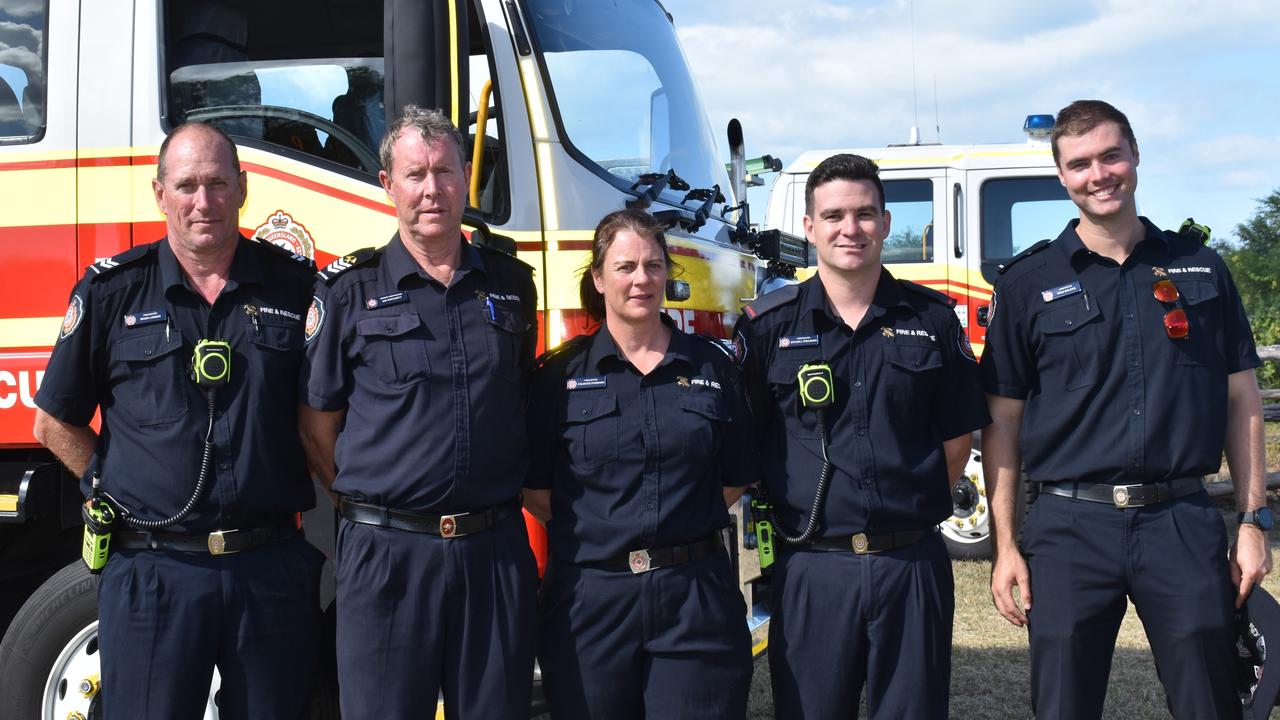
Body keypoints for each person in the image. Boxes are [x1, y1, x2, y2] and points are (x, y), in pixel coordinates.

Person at [981, 99, 1272, 718]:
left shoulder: (1202, 269)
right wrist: (1006, 545)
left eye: (1111, 155)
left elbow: (1240, 397)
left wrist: (1252, 521)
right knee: (1062, 704)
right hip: (1067, 528)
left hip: (1181, 521)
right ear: (1061, 176)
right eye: (1080, 163)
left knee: (1210, 702)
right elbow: (1001, 422)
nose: (1099, 174)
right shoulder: (1026, 283)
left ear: (1135, 155)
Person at [32, 122, 322, 719]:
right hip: (153, 571)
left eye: (218, 183)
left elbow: (324, 413)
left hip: (267, 569)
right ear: (160, 193)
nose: (203, 201)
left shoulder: (295, 288)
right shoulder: (113, 292)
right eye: (187, 185)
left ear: (243, 189)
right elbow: (53, 422)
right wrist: (107, 487)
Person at [298, 105, 538, 719]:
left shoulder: (511, 285)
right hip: (387, 558)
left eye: (446, 172)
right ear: (388, 186)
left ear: (466, 180)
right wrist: (367, 510)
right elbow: (316, 423)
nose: (432, 190)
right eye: (415, 175)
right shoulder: (348, 289)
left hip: (492, 552)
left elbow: (514, 398)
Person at [733, 153, 989, 719]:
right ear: (809, 227)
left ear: (886, 222)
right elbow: (745, 445)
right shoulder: (768, 327)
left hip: (911, 565)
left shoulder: (933, 320)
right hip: (811, 570)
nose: (851, 229)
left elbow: (956, 443)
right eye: (834, 215)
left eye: (865, 214)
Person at [523, 208, 756, 719]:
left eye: (653, 265)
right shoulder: (557, 377)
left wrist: (675, 525)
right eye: (626, 267)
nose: (641, 279)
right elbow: (538, 491)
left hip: (695, 596)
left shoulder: (712, 366)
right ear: (600, 278)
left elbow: (735, 477)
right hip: (590, 601)